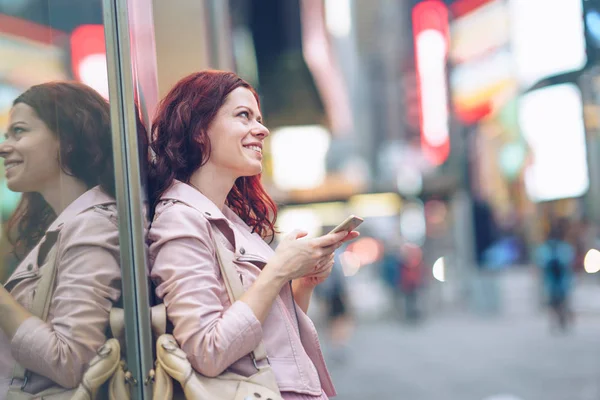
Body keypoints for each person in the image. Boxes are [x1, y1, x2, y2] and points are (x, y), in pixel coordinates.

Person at [148, 70, 358, 399]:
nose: (261, 129)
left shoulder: (230, 220)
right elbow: (207, 350)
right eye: (243, 116)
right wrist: (278, 271)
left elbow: (273, 334)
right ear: (199, 129)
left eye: (258, 118)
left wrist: (302, 284)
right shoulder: (179, 220)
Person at [0, 81, 122, 398]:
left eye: (19, 132)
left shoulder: (91, 225)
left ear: (66, 141)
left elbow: (69, 362)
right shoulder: (67, 226)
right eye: (6, 135)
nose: (4, 146)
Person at [535, 218, 575, 332]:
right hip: (556, 279)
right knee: (560, 301)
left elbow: (541, 262)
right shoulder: (563, 247)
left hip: (556, 279)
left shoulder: (548, 248)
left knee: (557, 301)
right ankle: (560, 320)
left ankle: (559, 321)